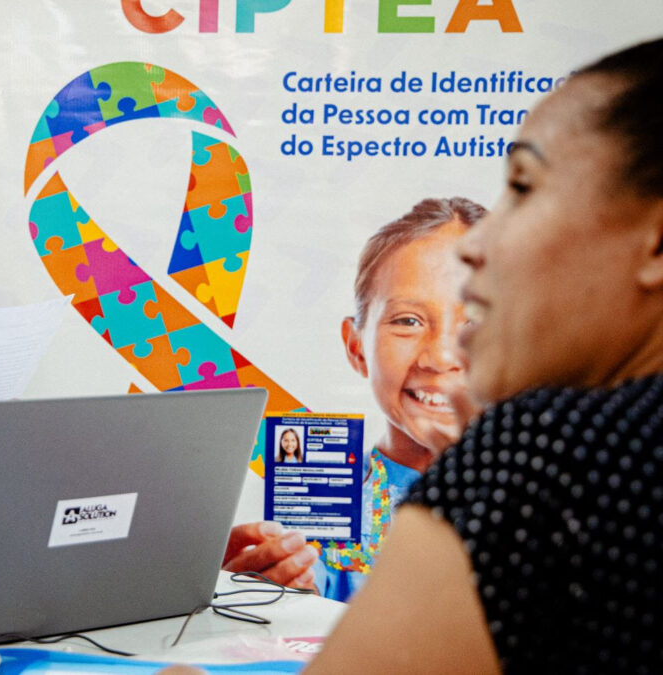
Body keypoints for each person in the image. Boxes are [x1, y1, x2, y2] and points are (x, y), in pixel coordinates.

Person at [303, 36, 663, 673]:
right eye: (408, 320)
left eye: (522, 188)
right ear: (354, 345)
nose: (477, 247)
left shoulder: (542, 449)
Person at [223, 198, 484, 598]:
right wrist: (270, 595)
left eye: (477, 321)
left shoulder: (564, 495)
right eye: (408, 321)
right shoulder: (324, 501)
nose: (440, 357)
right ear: (356, 347)